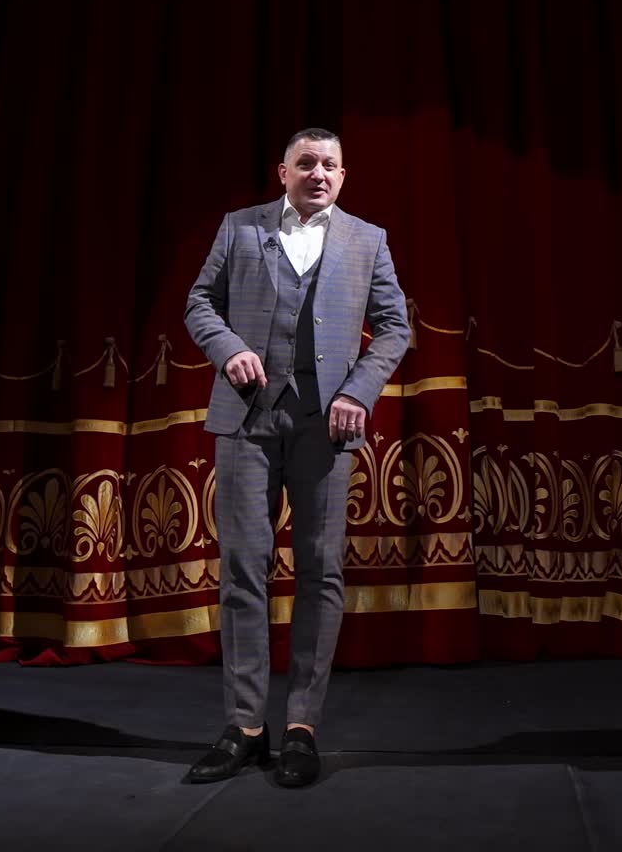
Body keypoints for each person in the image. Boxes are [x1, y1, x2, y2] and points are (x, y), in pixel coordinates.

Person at [181, 127, 411, 787]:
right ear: (283, 171)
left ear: (343, 176)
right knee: (243, 573)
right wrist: (230, 349)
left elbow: (395, 326)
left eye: (330, 165)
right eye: (306, 162)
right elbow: (200, 303)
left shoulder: (367, 240)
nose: (318, 173)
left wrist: (359, 391)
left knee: (319, 572)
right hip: (247, 421)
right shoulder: (240, 227)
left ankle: (302, 727)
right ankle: (245, 727)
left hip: (325, 426)